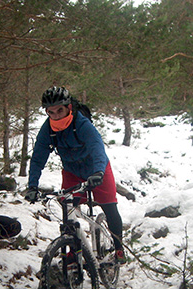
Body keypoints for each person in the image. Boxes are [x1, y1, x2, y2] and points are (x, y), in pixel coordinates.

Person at [25, 86, 125, 263]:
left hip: (96, 167)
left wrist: (99, 171)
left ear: (69, 107)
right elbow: (38, 158)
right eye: (51, 112)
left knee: (110, 206)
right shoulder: (47, 129)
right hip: (72, 171)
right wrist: (32, 185)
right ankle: (73, 249)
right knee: (68, 209)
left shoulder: (81, 124)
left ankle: (118, 248)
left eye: (60, 110)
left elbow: (97, 148)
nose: (56, 116)